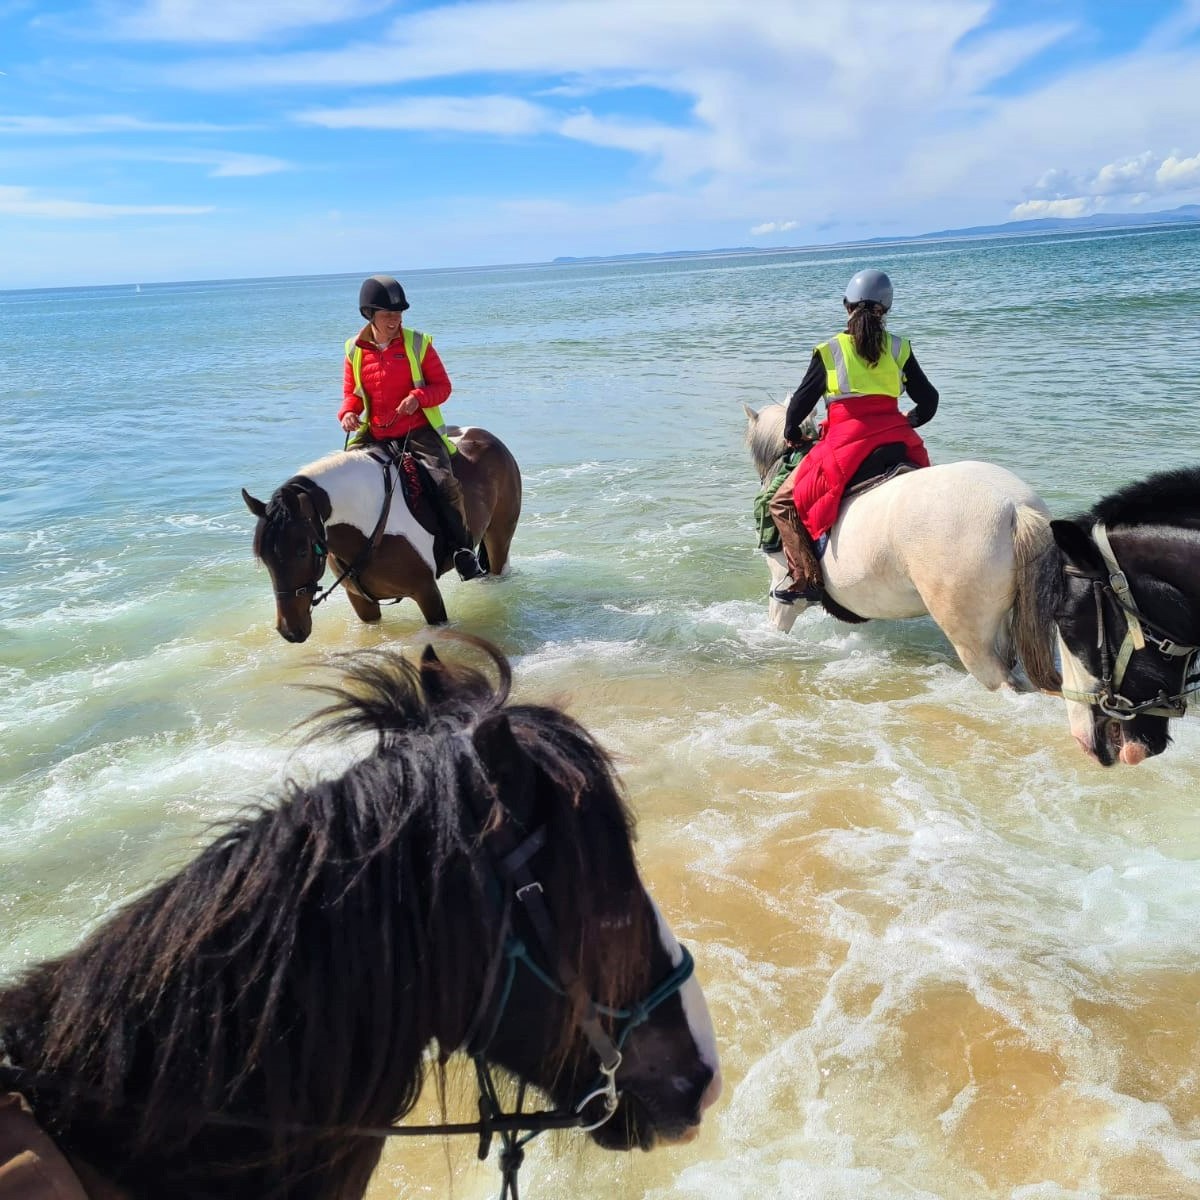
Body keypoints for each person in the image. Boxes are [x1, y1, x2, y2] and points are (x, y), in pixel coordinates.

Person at [768, 268, 938, 604]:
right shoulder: (899, 348)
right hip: (898, 438)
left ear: (847, 307)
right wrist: (909, 419)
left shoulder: (830, 350)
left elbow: (800, 404)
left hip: (847, 443)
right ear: (885, 311)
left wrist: (790, 433)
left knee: (781, 501)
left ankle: (806, 580)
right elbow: (929, 400)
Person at [339, 274, 485, 581]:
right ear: (370, 315)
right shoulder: (354, 349)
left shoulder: (417, 343)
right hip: (376, 433)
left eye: (398, 314)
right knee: (341, 479)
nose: (394, 321)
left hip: (418, 431)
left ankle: (462, 550)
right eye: (387, 315)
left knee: (443, 482)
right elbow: (352, 394)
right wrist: (348, 414)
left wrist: (418, 398)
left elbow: (443, 387)